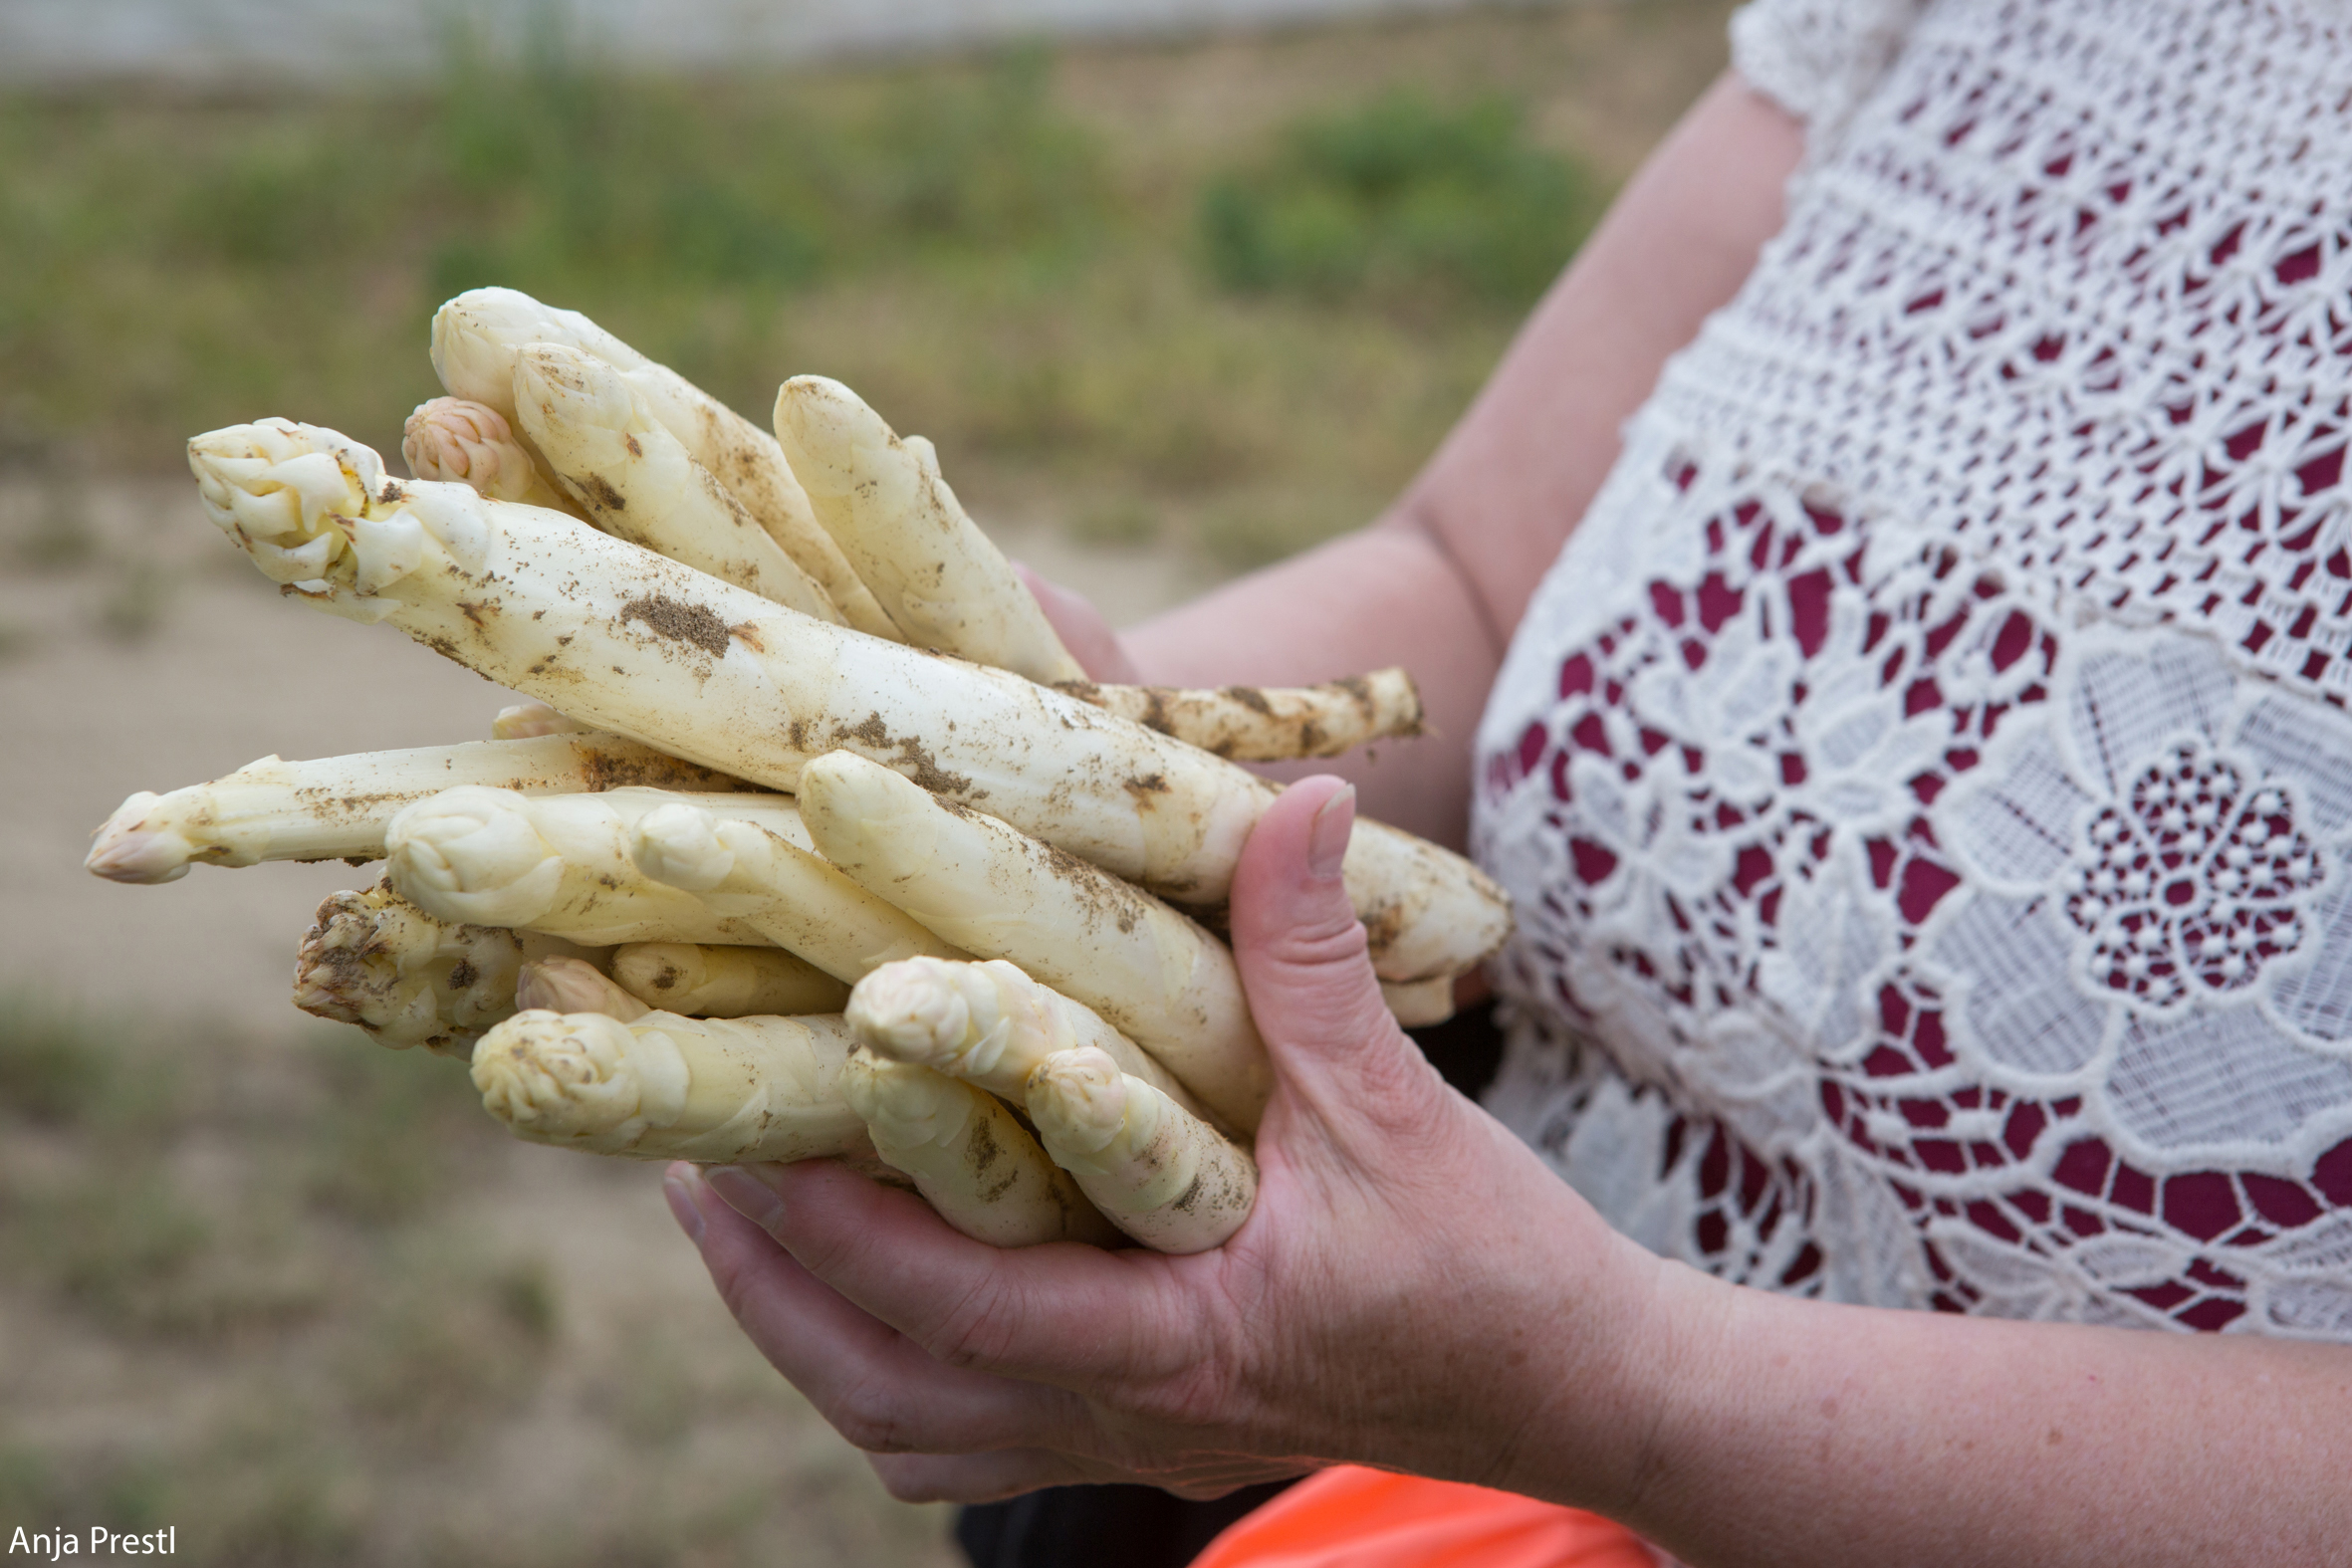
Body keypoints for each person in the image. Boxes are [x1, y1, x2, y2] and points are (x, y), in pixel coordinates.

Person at [660, 0, 2352, 1560]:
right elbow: (1476, 573)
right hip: (1425, 1455)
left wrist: (1611, 1392)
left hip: (1511, 1428)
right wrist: (1091, 761)